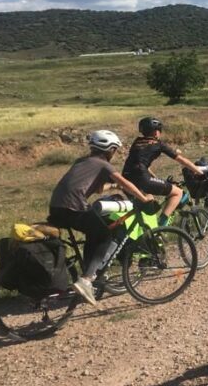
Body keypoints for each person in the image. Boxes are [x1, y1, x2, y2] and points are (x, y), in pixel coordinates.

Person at [47, 130, 155, 306]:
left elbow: (97, 189)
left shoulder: (82, 161)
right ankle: (87, 279)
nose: (115, 154)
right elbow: (125, 182)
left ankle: (88, 272)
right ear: (110, 149)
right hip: (74, 207)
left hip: (56, 207)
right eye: (115, 150)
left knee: (94, 230)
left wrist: (112, 186)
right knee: (105, 234)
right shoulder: (104, 165)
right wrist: (143, 198)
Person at [122, 117, 203, 227]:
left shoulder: (137, 142)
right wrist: (199, 171)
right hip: (142, 178)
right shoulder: (158, 144)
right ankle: (162, 227)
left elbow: (139, 163)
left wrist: (155, 177)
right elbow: (181, 160)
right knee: (177, 192)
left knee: (149, 201)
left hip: (125, 178)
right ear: (156, 132)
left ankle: (148, 231)